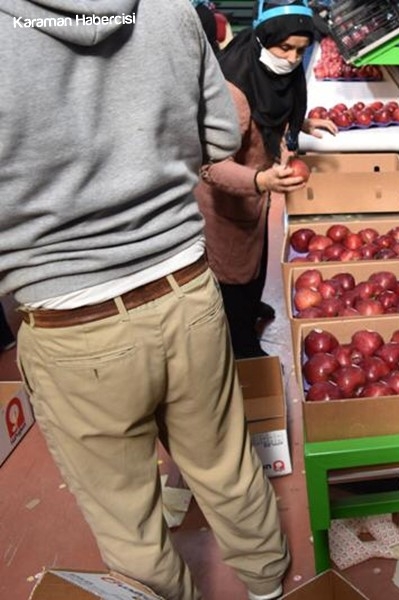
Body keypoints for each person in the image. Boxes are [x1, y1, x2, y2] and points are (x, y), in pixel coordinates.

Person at [0, 2, 290, 599]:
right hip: (183, 288)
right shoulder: (168, 9)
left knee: (126, 514)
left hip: (70, 317)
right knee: (226, 464)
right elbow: (220, 136)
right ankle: (269, 587)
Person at [194, 0, 337, 359]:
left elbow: (268, 112)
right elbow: (210, 166)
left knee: (255, 263)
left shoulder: (271, 74)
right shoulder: (235, 92)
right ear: (264, 38)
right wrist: (260, 180)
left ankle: (248, 310)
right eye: (284, 48)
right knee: (232, 275)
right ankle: (242, 344)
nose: (291, 59)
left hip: (256, 190)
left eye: (300, 51)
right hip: (228, 199)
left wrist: (301, 123)